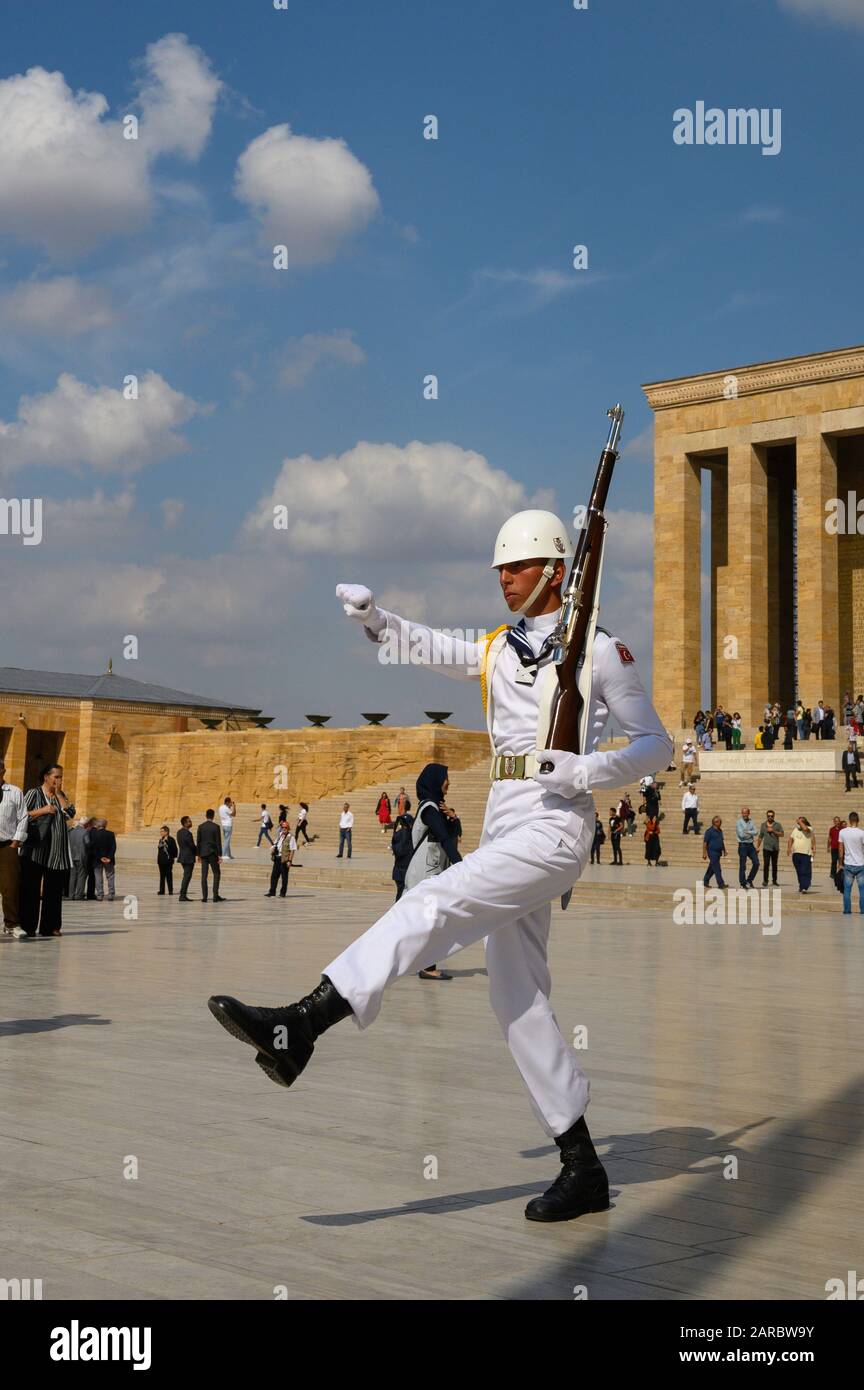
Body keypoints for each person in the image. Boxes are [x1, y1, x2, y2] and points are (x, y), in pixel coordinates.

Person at [208, 507, 671, 1224]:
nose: (502, 579)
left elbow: (655, 748)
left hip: (556, 829)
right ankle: (582, 1166)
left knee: (434, 901)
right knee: (515, 997)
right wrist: (377, 619)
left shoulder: (603, 654)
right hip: (508, 824)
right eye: (499, 569)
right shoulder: (497, 648)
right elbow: (432, 647)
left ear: (554, 571)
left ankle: (306, 1020)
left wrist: (586, 770)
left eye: (515, 568)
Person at [407, 764, 462, 981]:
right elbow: (445, 839)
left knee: (423, 921)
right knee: (429, 921)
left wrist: (454, 818)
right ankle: (427, 967)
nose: (448, 782)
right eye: (445, 778)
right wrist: (461, 865)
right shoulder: (429, 808)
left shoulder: (437, 808)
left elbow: (454, 833)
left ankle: (419, 963)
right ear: (435, 780)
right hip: (424, 875)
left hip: (432, 873)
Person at [20, 763, 76, 937]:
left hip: (56, 852)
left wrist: (59, 793)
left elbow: (71, 813)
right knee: (31, 889)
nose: (59, 780)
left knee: (53, 890)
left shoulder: (60, 795)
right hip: (36, 850)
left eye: (61, 777)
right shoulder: (34, 793)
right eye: (56, 777)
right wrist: (42, 810)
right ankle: (28, 926)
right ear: (46, 777)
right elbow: (22, 814)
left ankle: (50, 926)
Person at [0, 759, 28, 937]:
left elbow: (23, 817)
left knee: (10, 885)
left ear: (3, 770)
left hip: (7, 844)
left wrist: (16, 842)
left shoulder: (15, 791)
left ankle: (11, 924)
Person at [839, 811, 864, 915]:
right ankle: (863, 910)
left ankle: (847, 910)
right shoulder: (862, 833)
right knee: (862, 890)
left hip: (848, 864)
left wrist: (840, 863)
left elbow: (841, 849)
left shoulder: (843, 832)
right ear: (858, 820)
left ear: (849, 820)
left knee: (847, 890)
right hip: (860, 864)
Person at [197, 810, 224, 903]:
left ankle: (205, 897)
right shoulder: (216, 827)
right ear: (213, 816)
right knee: (216, 873)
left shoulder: (201, 827)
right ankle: (215, 896)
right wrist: (220, 855)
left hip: (203, 853)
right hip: (213, 853)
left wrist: (198, 855)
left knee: (204, 875)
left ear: (206, 815)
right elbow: (218, 842)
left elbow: (198, 842)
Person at [266, 818, 295, 897]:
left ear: (288, 828)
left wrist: (290, 861)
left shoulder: (291, 837)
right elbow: (275, 844)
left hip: (284, 860)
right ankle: (272, 891)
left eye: (286, 827)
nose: (284, 829)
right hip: (277, 858)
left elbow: (292, 850)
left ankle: (282, 893)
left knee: (284, 877)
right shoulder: (280, 835)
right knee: (274, 876)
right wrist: (273, 849)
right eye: (283, 827)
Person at [90, 818, 117, 901]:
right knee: (110, 876)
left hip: (98, 860)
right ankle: (111, 894)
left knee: (98, 877)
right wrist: (109, 857)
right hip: (109, 860)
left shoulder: (94, 834)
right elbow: (113, 847)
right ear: (105, 825)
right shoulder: (111, 834)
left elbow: (93, 848)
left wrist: (100, 857)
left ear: (98, 825)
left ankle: (100, 894)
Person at [390, 812, 415, 901]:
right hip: (403, 870)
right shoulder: (406, 835)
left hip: (400, 870)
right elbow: (400, 851)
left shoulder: (398, 834)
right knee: (403, 895)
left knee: (401, 894)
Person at [756, 810, 784, 887]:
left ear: (774, 816)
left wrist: (773, 831)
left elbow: (782, 834)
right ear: (766, 816)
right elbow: (760, 837)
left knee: (774, 865)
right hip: (766, 848)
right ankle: (765, 880)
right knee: (766, 865)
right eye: (769, 816)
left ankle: (774, 880)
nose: (770, 817)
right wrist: (757, 846)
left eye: (772, 816)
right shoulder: (763, 825)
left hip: (775, 848)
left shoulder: (778, 825)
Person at [788, 817, 815, 893]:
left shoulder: (809, 828)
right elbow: (790, 839)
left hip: (805, 854)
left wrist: (800, 822)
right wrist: (789, 848)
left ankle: (804, 887)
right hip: (796, 854)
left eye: (801, 821)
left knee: (804, 870)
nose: (799, 823)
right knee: (799, 871)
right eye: (799, 821)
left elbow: (805, 829)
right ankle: (802, 885)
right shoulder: (795, 830)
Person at [68, 817, 92, 900]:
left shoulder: (71, 831)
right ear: (85, 824)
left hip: (71, 856)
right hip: (81, 856)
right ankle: (79, 895)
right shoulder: (85, 832)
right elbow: (88, 843)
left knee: (72, 876)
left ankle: (71, 895)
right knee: (81, 875)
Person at [735, 806, 759, 889]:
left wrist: (747, 832)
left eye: (746, 813)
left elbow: (756, 832)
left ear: (749, 813)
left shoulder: (751, 822)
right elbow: (741, 835)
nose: (744, 814)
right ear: (742, 813)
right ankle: (742, 883)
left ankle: (749, 880)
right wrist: (750, 833)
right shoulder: (739, 822)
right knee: (743, 865)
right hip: (742, 845)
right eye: (743, 813)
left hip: (751, 845)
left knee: (756, 863)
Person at [702, 816, 726, 888]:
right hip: (712, 852)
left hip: (718, 852)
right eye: (718, 822)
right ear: (714, 823)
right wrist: (704, 853)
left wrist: (724, 850)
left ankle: (705, 881)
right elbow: (705, 843)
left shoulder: (720, 831)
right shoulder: (709, 831)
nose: (720, 823)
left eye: (720, 821)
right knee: (717, 868)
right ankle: (721, 884)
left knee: (712, 868)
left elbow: (721, 841)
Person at [177, 816, 196, 901]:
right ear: (185, 823)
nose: (191, 822)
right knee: (187, 876)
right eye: (189, 821)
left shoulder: (179, 832)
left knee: (186, 875)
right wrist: (199, 853)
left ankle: (183, 894)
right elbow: (191, 845)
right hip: (188, 857)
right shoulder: (188, 833)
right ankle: (182, 895)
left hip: (183, 856)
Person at [157, 825, 178, 895]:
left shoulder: (171, 840)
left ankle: (170, 890)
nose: (161, 833)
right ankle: (162, 890)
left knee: (169, 876)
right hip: (161, 861)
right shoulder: (161, 840)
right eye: (161, 831)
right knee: (162, 876)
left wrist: (171, 858)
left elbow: (175, 850)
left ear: (167, 832)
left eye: (162, 831)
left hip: (168, 861)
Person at [828, 816, 843, 882]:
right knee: (834, 861)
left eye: (838, 821)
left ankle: (841, 873)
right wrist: (828, 846)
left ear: (839, 821)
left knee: (841, 860)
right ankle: (833, 874)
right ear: (834, 822)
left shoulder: (842, 829)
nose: (837, 822)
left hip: (841, 847)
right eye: (835, 821)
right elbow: (829, 838)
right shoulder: (831, 829)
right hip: (834, 847)